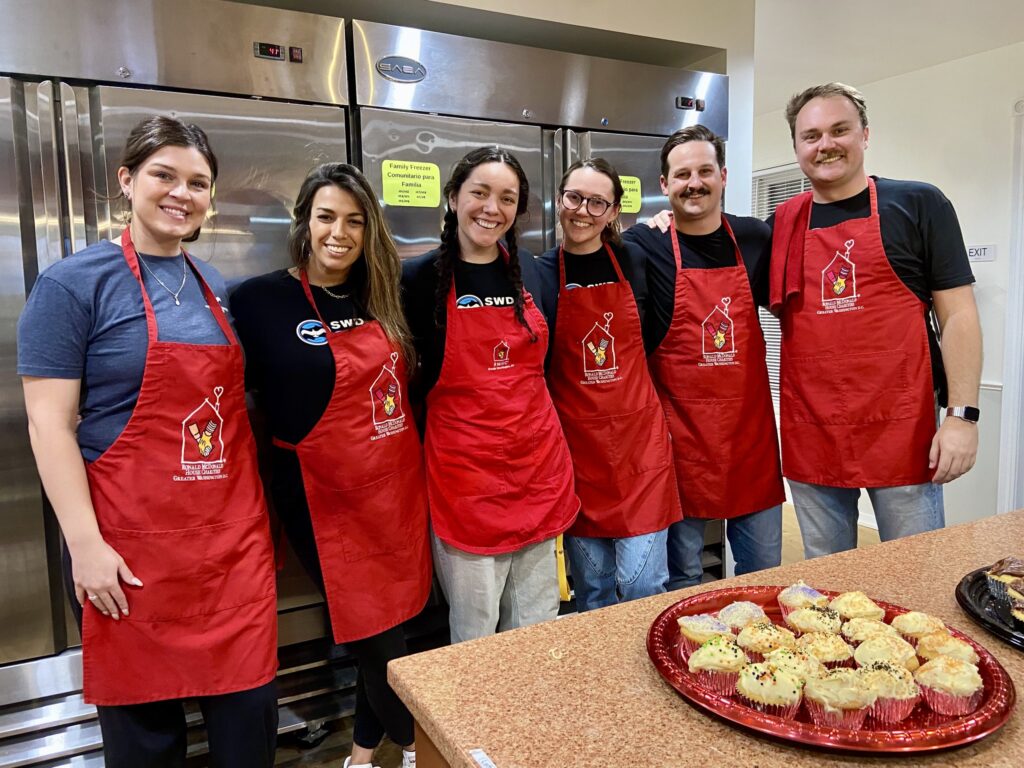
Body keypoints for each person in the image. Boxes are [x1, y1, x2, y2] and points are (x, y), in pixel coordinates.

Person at [17, 116, 278, 767]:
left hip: (230, 555)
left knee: (249, 738)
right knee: (146, 750)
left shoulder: (214, 286)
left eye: (198, 182)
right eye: (165, 175)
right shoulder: (72, 286)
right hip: (129, 560)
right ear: (127, 179)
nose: (181, 194)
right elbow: (49, 423)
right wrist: (85, 547)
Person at [231, 163, 430, 768]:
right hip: (322, 496)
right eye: (325, 217)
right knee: (376, 645)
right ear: (303, 224)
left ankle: (362, 757)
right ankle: (431, 748)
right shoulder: (260, 299)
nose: (338, 233)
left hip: (395, 488)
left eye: (354, 220)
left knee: (389, 632)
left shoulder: (383, 293)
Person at [769, 82, 982, 558]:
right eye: (812, 135)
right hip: (813, 431)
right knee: (827, 585)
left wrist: (962, 418)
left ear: (864, 134)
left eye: (839, 130)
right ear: (798, 147)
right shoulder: (781, 224)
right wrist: (661, 224)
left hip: (903, 433)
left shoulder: (917, 204)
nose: (826, 144)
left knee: (913, 578)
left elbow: (959, 314)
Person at [402, 146, 579, 642]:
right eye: (479, 193)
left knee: (538, 627)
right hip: (467, 484)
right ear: (454, 197)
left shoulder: (535, 275)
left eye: (506, 198)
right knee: (475, 637)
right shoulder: (415, 282)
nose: (491, 208)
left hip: (537, 472)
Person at [625, 125, 785, 589]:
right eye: (681, 174)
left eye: (704, 171)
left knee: (767, 577)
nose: (693, 183)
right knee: (684, 580)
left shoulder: (755, 238)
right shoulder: (645, 243)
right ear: (664, 185)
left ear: (724, 176)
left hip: (750, 441)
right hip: (682, 447)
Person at [535, 158, 680, 611]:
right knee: (593, 594)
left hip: (641, 450)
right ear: (560, 201)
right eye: (575, 198)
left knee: (643, 589)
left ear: (615, 211)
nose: (583, 211)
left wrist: (665, 217)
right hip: (579, 455)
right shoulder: (541, 274)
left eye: (597, 202)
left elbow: (662, 326)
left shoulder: (638, 258)